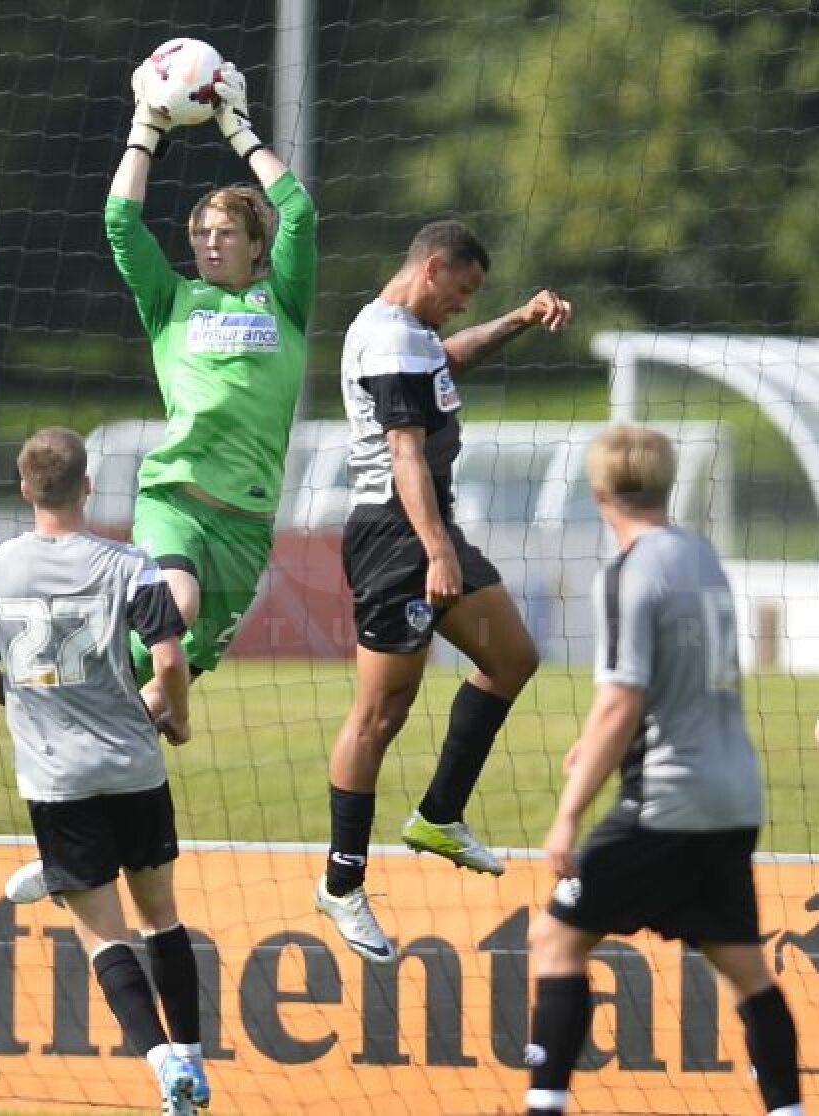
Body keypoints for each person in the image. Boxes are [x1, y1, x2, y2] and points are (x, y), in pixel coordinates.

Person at [524, 425, 803, 1116]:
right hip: (732, 798)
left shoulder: (627, 572)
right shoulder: (700, 555)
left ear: (599, 493)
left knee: (554, 939)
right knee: (746, 972)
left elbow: (623, 699)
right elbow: (674, 680)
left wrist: (568, 813)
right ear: (667, 484)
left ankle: (543, 1106)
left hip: (666, 802)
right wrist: (599, 742)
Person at [316, 219, 573, 964]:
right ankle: (341, 882)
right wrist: (434, 550)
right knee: (380, 714)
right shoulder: (391, 339)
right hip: (397, 537)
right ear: (431, 269)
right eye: (461, 291)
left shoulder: (409, 334)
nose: (462, 306)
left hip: (429, 527)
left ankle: (438, 815)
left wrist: (519, 319)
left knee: (513, 657)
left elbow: (448, 360)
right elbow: (404, 453)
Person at [0, 427, 208, 1116]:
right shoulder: (130, 564)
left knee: (103, 936)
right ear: (87, 487)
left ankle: (160, 1064)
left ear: (24, 488)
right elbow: (169, 659)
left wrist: (30, 700)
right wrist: (177, 718)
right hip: (132, 769)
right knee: (161, 919)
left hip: (56, 783)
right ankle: (191, 1059)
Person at [106, 53, 317, 717]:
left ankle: (100, 711)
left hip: (247, 522)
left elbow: (299, 213)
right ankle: (86, 687)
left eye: (226, 233)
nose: (210, 243)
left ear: (257, 246)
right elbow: (120, 223)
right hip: (176, 496)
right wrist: (145, 128)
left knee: (165, 686)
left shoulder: (283, 300)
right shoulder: (171, 299)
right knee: (179, 606)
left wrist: (238, 129)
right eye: (201, 233)